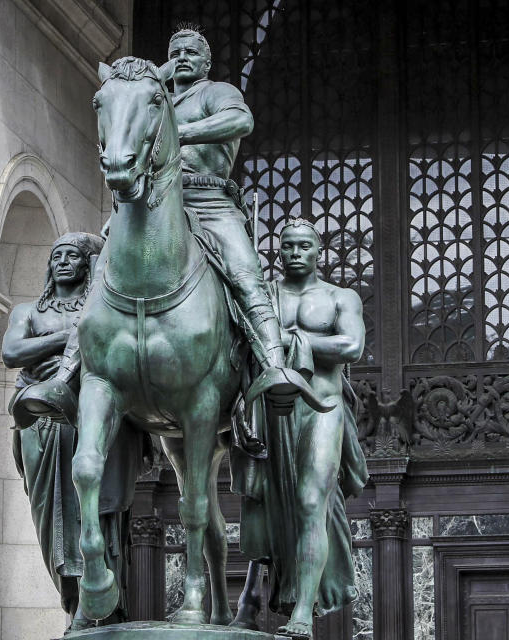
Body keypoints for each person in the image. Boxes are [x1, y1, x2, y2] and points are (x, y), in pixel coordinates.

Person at [166, 27, 323, 417]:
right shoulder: (154, 98)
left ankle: (274, 367)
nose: (182, 57)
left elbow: (241, 121)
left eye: (191, 52)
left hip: (209, 199)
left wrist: (178, 132)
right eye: (175, 52)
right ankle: (69, 375)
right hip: (156, 201)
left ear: (206, 63)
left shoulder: (217, 92)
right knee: (100, 265)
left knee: (245, 275)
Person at [232, 219, 370, 639]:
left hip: (322, 405)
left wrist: (293, 341)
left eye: (303, 246)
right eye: (287, 245)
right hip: (272, 408)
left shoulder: (339, 297)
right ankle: (253, 599)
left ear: (317, 251)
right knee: (267, 504)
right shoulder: (262, 297)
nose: (294, 252)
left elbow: (352, 347)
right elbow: (237, 343)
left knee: (313, 500)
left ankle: (303, 615)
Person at [2, 232, 145, 632]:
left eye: (74, 256)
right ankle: (73, 601)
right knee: (54, 521)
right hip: (43, 424)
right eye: (57, 256)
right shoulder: (28, 313)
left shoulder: (103, 306)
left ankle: (98, 605)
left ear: (88, 265)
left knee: (99, 513)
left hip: (93, 420)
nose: (64, 262)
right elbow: (11, 352)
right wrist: (69, 337)